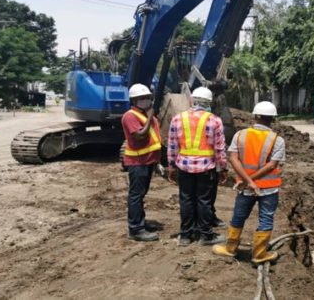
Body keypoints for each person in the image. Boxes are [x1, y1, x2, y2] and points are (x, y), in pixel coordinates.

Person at [213, 101, 285, 264]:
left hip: (244, 188)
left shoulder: (241, 135)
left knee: (239, 216)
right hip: (268, 189)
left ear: (255, 116)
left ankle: (230, 249)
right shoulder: (277, 140)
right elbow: (272, 165)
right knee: (266, 218)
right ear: (272, 119)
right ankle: (259, 254)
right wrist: (252, 181)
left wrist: (247, 181)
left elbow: (232, 158)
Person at [167, 86, 227, 246]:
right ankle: (206, 235)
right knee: (204, 201)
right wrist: (223, 168)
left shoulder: (178, 119)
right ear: (209, 103)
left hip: (184, 167)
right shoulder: (215, 120)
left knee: (186, 200)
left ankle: (186, 235)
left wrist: (171, 166)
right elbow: (220, 148)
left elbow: (172, 146)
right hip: (206, 168)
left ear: (192, 100)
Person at [121, 84, 162, 242]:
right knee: (136, 195)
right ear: (134, 100)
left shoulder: (144, 115)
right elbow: (140, 136)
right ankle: (136, 229)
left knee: (140, 194)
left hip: (147, 160)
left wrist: (157, 161)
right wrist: (151, 116)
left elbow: (153, 138)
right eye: (142, 98)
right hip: (137, 161)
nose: (145, 100)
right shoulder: (130, 116)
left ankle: (141, 223)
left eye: (147, 98)